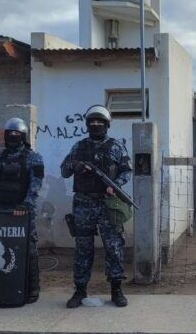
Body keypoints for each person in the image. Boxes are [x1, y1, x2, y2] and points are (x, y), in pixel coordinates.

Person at [62, 105, 133, 308]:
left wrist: (115, 185)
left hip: (108, 204)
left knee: (114, 247)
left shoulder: (116, 147)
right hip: (84, 203)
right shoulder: (78, 147)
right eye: (92, 122)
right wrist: (74, 166)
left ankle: (116, 289)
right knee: (83, 248)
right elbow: (64, 170)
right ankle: (80, 290)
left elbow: (127, 171)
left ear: (107, 125)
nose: (95, 125)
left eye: (99, 122)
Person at [0, 118, 44, 304]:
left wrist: (26, 204)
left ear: (23, 136)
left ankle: (32, 288)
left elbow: (35, 184)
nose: (13, 137)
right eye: (10, 134)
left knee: (28, 249)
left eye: (17, 134)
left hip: (22, 212)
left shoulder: (33, 157)